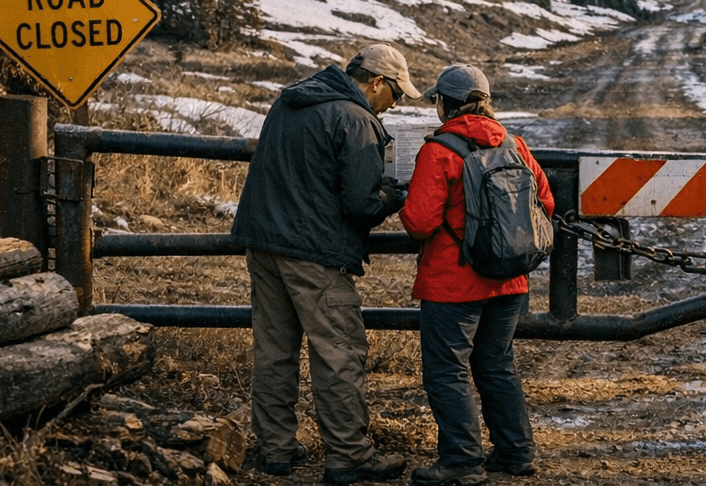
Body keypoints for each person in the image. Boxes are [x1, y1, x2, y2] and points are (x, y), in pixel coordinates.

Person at [230, 43, 418, 484]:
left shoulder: (290, 100)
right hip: (315, 252)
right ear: (377, 83)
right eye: (397, 95)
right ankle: (349, 455)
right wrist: (392, 195)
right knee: (339, 352)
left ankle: (276, 448)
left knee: (274, 349)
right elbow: (361, 204)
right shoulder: (354, 119)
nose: (395, 105)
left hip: (263, 242)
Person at [400, 64, 554, 486]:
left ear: (443, 104)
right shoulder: (515, 144)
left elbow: (418, 222)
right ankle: (516, 452)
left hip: (454, 283)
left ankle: (462, 460)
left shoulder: (439, 150)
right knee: (497, 365)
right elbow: (546, 204)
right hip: (509, 280)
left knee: (447, 371)